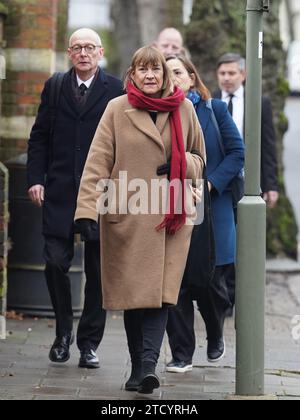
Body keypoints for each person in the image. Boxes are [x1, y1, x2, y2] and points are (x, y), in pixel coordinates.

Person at [74, 46, 206, 394]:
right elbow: (97, 163)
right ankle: (138, 365)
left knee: (162, 295)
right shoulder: (116, 109)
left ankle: (148, 367)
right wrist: (87, 212)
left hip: (171, 217)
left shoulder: (184, 108)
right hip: (128, 217)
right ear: (131, 74)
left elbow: (199, 158)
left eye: (156, 70)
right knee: (135, 296)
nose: (150, 76)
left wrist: (181, 163)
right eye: (142, 70)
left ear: (164, 75)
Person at [27, 28, 123, 369]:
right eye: (78, 47)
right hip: (60, 192)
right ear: (70, 53)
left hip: (100, 194)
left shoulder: (115, 89)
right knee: (54, 262)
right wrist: (36, 179)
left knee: (99, 271)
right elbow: (39, 136)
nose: (84, 53)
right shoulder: (55, 87)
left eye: (90, 47)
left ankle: (89, 343)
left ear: (100, 53)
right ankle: (63, 332)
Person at [165, 55, 244, 372]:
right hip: (171, 208)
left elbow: (237, 153)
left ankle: (215, 334)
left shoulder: (214, 110)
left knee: (211, 286)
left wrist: (211, 184)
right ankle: (182, 354)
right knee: (175, 282)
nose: (173, 78)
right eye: (166, 72)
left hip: (212, 207)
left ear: (192, 76)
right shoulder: (158, 113)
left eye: (178, 72)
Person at [215, 52, 279, 308]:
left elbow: (268, 146)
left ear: (243, 74)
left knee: (245, 240)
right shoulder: (210, 101)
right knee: (224, 238)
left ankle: (239, 294)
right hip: (219, 183)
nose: (227, 79)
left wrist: (271, 184)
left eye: (232, 73)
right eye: (223, 73)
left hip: (247, 183)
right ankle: (224, 296)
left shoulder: (259, 102)